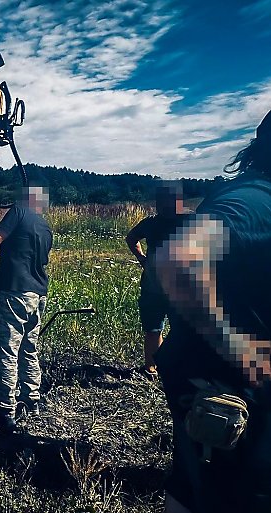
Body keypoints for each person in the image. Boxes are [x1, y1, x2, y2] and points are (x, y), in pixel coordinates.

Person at [152, 110, 271, 513]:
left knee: (194, 485)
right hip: (228, 385)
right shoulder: (256, 202)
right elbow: (180, 260)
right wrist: (239, 348)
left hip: (210, 376)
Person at [0, 186, 53, 433]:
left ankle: (6, 410)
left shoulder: (19, 212)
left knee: (6, 351)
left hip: (15, 293)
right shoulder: (45, 226)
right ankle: (32, 401)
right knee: (28, 348)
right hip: (38, 294)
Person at [125, 181, 189, 378]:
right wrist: (142, 259)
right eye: (161, 201)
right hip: (155, 287)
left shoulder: (190, 221)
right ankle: (152, 369)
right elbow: (131, 238)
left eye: (168, 201)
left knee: (182, 329)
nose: (163, 205)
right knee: (154, 329)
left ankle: (173, 367)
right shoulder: (152, 223)